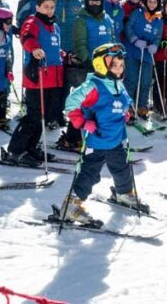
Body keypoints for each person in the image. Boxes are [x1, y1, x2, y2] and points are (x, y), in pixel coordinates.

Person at [60, 43, 147, 223]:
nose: (119, 69)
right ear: (101, 64)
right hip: (97, 140)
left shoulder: (118, 84)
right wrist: (83, 122)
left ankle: (123, 194)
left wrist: (125, 113)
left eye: (121, 65)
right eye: (114, 65)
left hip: (116, 139)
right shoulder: (93, 85)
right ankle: (71, 206)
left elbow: (121, 104)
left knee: (122, 168)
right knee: (90, 174)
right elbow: (71, 103)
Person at [1, 0, 65, 167]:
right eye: (46, 7)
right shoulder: (33, 22)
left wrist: (63, 55)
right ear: (38, 7)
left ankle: (30, 147)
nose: (49, 10)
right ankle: (16, 150)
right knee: (34, 116)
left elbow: (54, 48)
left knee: (43, 116)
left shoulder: (55, 27)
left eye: (52, 7)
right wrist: (34, 48)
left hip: (53, 77)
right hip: (38, 76)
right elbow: (26, 37)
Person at [61, 0, 117, 148]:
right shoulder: (81, 20)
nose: (94, 3)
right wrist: (89, 62)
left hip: (106, 68)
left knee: (102, 102)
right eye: (91, 0)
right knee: (85, 102)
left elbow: (112, 40)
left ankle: (97, 134)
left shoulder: (107, 19)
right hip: (89, 68)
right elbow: (80, 44)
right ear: (86, 2)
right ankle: (72, 137)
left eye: (97, 0)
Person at [124, 0, 163, 124]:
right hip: (133, 51)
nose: (152, 4)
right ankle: (128, 107)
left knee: (146, 81)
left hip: (147, 53)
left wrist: (155, 45)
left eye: (154, 2)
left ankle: (142, 106)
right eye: (150, 1)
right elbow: (128, 27)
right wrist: (134, 39)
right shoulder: (138, 13)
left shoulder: (158, 19)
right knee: (131, 80)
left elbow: (158, 36)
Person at [54, 0, 83, 94]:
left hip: (75, 52)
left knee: (77, 87)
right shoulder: (53, 1)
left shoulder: (81, 3)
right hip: (57, 51)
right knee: (59, 87)